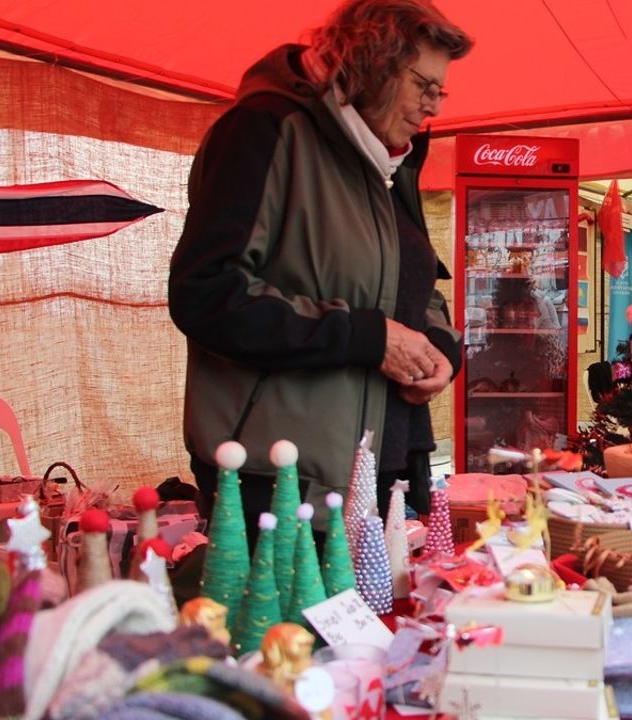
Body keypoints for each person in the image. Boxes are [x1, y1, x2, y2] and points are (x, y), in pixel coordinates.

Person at [168, 0, 472, 542]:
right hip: (280, 477)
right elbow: (208, 294)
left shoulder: (386, 159)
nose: (433, 107)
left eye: (440, 91)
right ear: (374, 65)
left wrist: (442, 353)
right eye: (424, 85)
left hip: (382, 464)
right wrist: (366, 336)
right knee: (282, 630)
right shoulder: (264, 130)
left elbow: (418, 288)